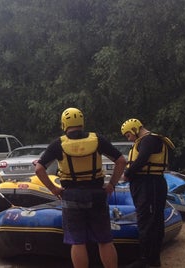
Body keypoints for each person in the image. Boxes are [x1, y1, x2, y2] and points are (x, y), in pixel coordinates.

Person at [34, 107, 127, 268]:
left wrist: (54, 189)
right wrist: (112, 184)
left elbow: (39, 169)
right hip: (97, 194)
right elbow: (121, 161)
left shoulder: (58, 144)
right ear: (81, 122)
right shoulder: (97, 139)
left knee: (77, 242)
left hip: (71, 196)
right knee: (105, 240)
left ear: (64, 124)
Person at [120, 118, 175, 268]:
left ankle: (146, 259)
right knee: (149, 221)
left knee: (149, 222)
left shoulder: (149, 140)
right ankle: (151, 259)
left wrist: (128, 173)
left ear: (134, 130)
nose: (129, 139)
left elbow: (142, 159)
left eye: (128, 136)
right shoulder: (146, 141)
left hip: (149, 184)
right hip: (147, 184)